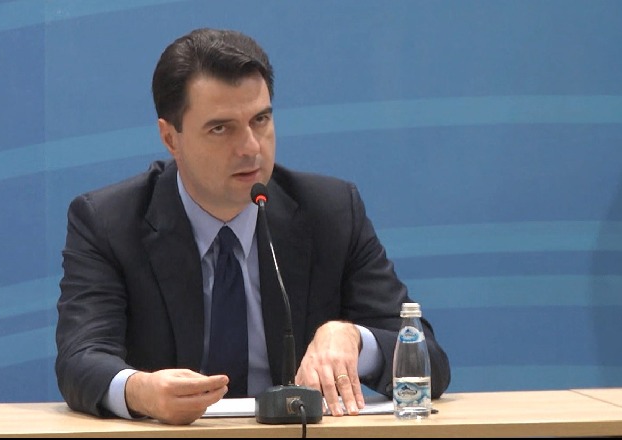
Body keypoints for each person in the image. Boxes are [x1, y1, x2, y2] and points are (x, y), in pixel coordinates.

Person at [55, 27, 451, 426]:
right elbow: (80, 358)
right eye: (220, 128)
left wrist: (355, 340)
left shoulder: (330, 213)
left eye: (260, 120)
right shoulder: (109, 222)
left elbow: (429, 360)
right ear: (171, 138)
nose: (251, 147)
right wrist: (141, 391)